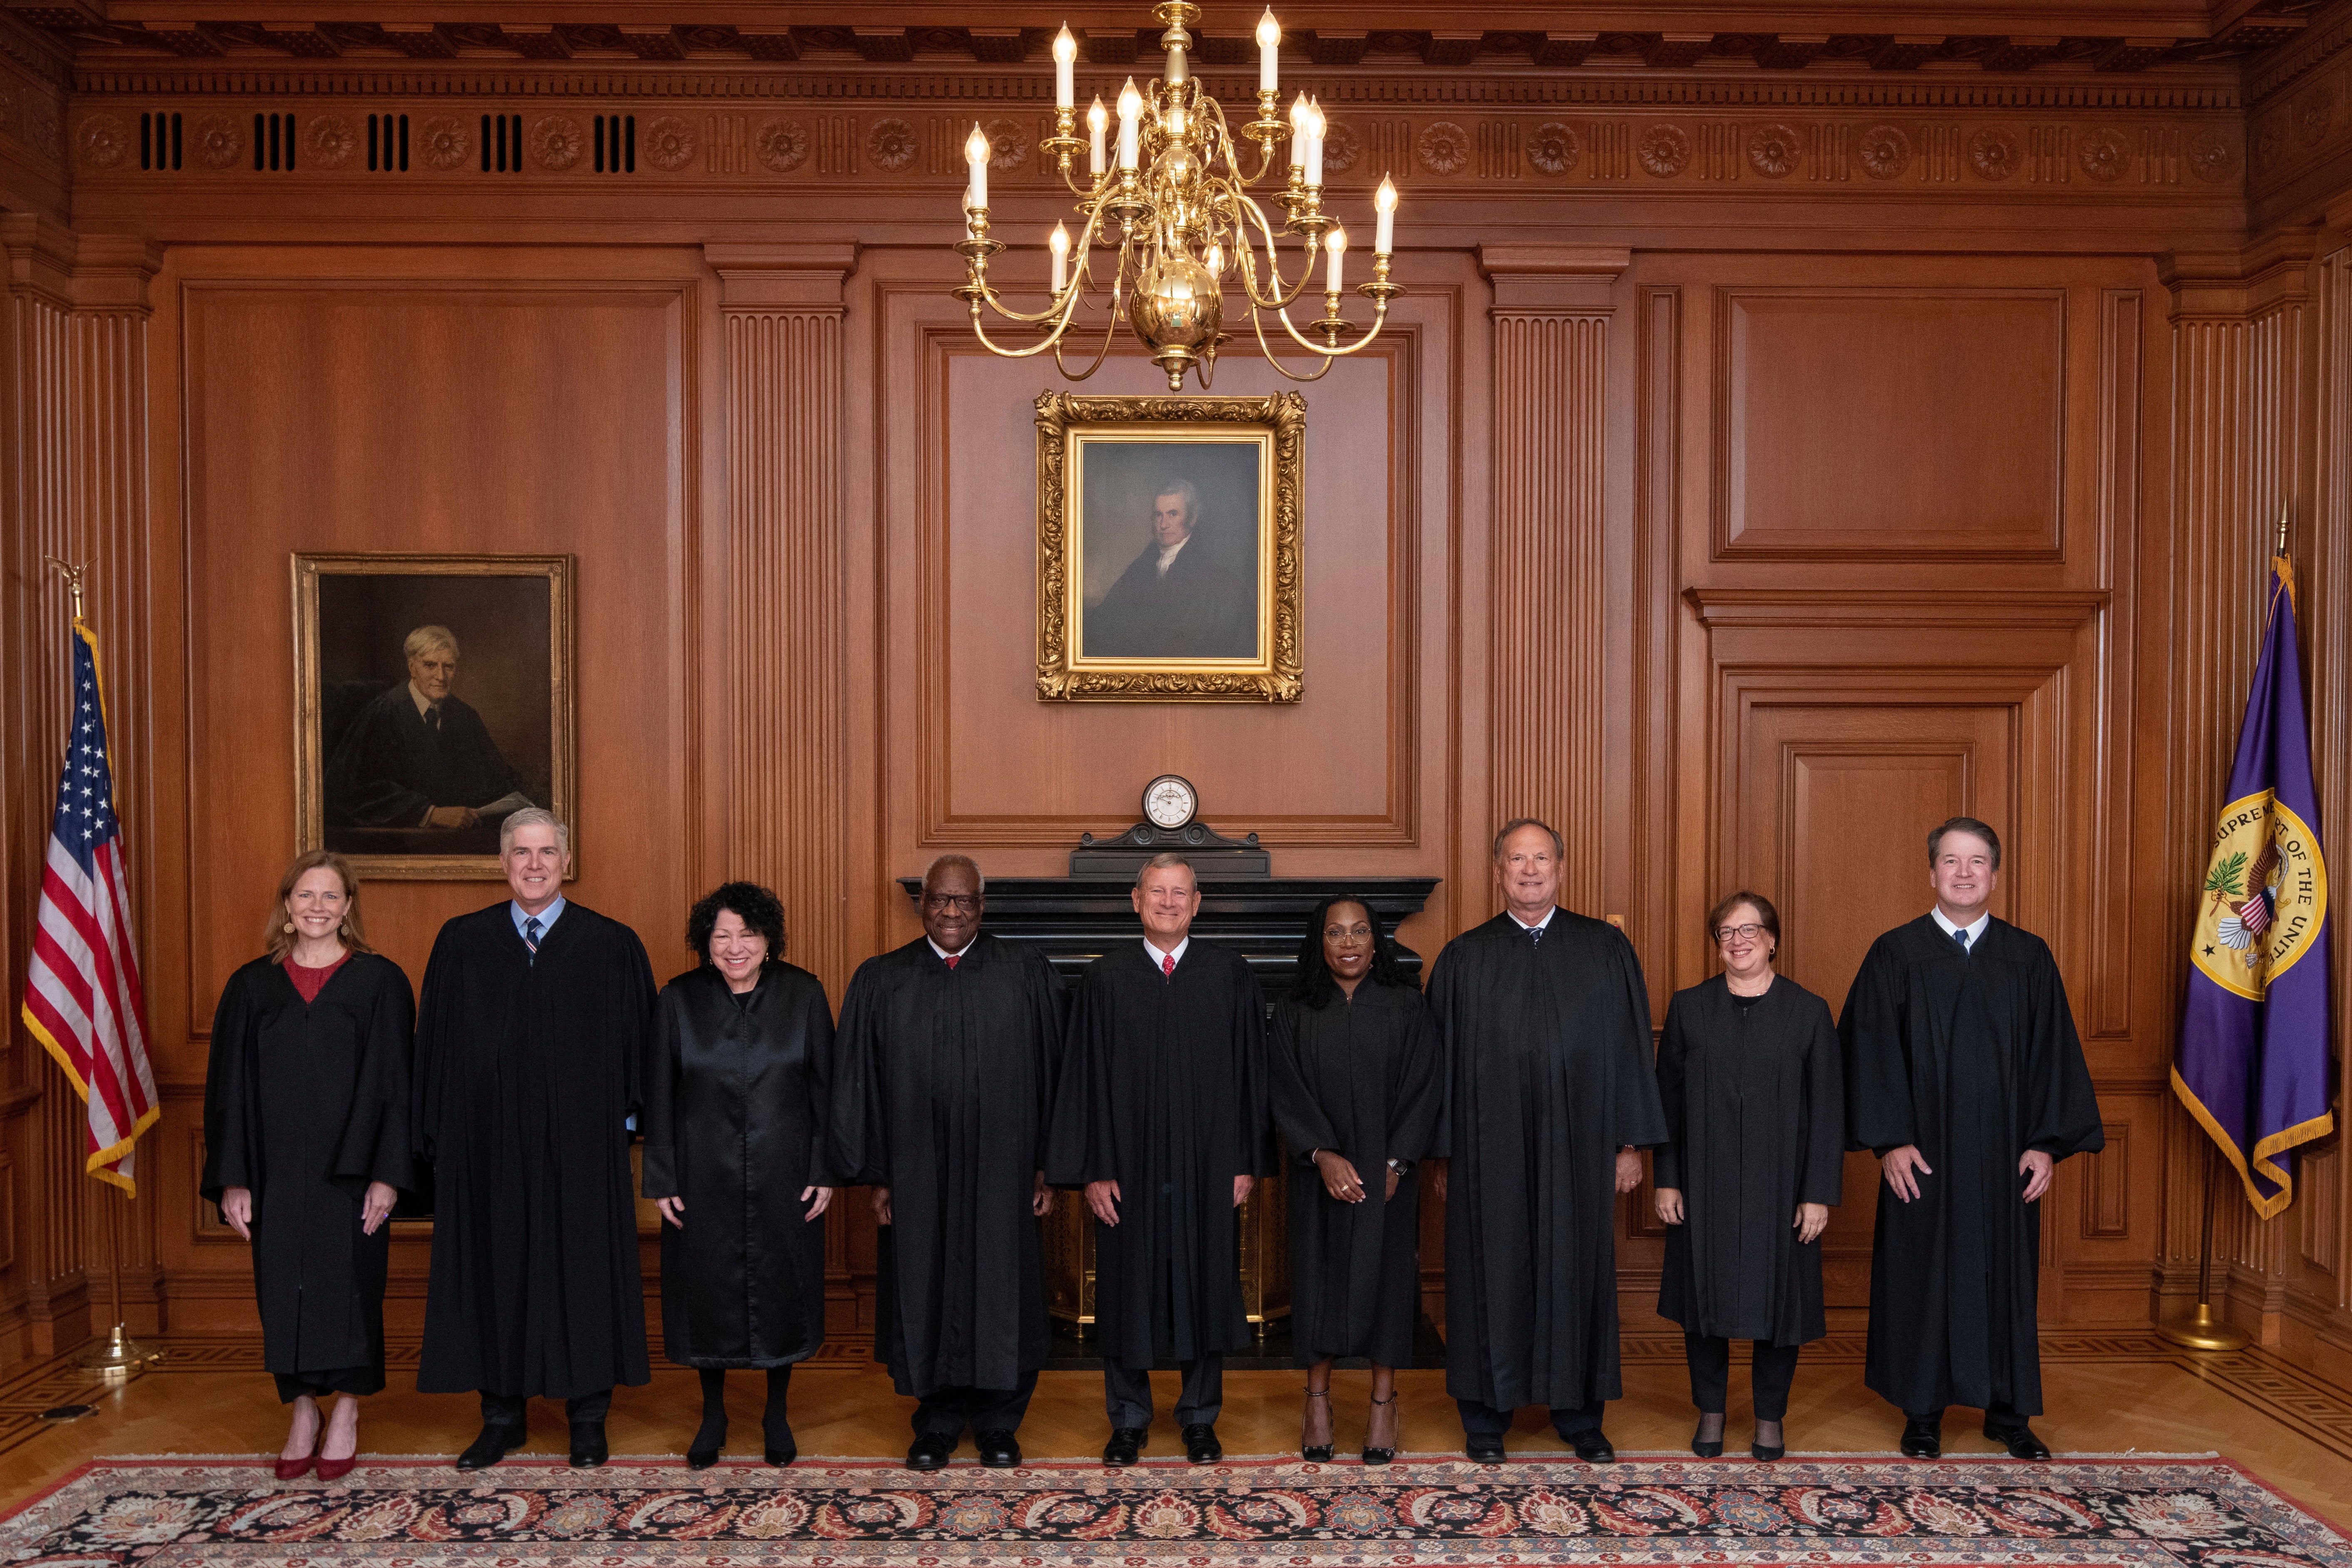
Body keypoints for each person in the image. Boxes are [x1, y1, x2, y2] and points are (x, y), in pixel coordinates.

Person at [1840, 816, 2103, 1461]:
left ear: (1994, 873)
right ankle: (1922, 1411)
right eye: (1952, 861)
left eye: (1977, 861)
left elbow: (2053, 1057)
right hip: (1922, 1157)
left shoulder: (2028, 956)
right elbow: (1868, 1050)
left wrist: (2045, 1141)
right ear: (1931, 872)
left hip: (2003, 1155)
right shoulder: (1895, 952)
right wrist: (1891, 1139)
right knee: (1920, 1276)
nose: (1964, 872)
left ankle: (2007, 1412)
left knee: (2004, 1273)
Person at [413, 808, 656, 1470]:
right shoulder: (461, 943)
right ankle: (501, 1417)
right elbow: (432, 1053)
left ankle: (587, 1419)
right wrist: (441, 1144)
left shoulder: (611, 945)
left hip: (581, 1153)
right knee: (494, 1274)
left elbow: (640, 1053)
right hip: (486, 1153)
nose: (535, 863)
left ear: (567, 861)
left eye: (547, 851)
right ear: (502, 862)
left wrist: (619, 1134)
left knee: (584, 1273)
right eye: (521, 852)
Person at [1427, 819, 1666, 1465]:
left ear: (1560, 867)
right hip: (1487, 1149)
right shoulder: (1464, 956)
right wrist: (1444, 1151)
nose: (1529, 870)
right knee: (1489, 1267)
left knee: (1576, 1267)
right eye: (1516, 859)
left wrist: (1628, 1143)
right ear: (1497, 869)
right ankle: (1485, 1416)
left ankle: (1579, 1414)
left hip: (1581, 1144)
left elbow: (1628, 1048)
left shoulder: (1604, 948)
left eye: (1540, 858)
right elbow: (1439, 1064)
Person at [829, 855, 1066, 1471]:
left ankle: (998, 1422)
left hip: (1005, 1169)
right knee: (923, 1281)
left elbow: (1056, 1075)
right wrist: (878, 1172)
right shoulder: (883, 979)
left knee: (1003, 1284)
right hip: (916, 1170)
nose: (952, 912)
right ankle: (934, 1420)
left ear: (982, 906)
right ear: (922, 904)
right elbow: (861, 1084)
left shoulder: (1025, 973)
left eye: (963, 901)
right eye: (940, 900)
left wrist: (1048, 1163)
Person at [1045, 851, 1271, 1466]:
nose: (1168, 902)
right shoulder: (1105, 979)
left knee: (1207, 1278)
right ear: (1136, 900)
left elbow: (1254, 1074)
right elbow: (1083, 1081)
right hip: (1128, 1164)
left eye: (1180, 893)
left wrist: (1245, 1159)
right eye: (1157, 892)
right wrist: (1092, 1166)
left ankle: (1200, 1417)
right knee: (1126, 1285)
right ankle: (1129, 1418)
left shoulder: (1230, 974)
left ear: (1197, 904)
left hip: (1209, 1160)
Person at [202, 850, 413, 1482]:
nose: (317, 907)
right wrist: (234, 1176)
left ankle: (346, 1408)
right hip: (272, 1169)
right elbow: (229, 1089)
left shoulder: (381, 982)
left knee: (353, 1288)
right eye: (305, 895)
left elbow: (396, 1085)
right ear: (287, 907)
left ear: (349, 907)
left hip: (351, 1172)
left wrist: (386, 1173)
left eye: (330, 896)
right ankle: (301, 1409)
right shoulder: (251, 986)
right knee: (281, 1288)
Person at [642, 881, 836, 1468]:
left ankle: (776, 1412)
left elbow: (828, 1092)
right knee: (707, 1293)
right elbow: (659, 1096)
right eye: (721, 935)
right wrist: (663, 1178)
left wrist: (825, 1168)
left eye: (747, 935)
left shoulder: (803, 995)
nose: (734, 947)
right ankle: (713, 1413)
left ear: (768, 940)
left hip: (787, 1174)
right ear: (705, 942)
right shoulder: (677, 999)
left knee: (782, 1290)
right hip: (702, 1177)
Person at [1653, 891, 1842, 1463]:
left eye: (1749, 930)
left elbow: (1829, 1110)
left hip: (1781, 1186)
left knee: (1779, 1307)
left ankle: (1768, 1417)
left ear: (1773, 938)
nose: (1738, 941)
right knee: (1702, 1303)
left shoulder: (1809, 1011)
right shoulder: (1689, 1008)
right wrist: (1667, 1178)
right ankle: (1710, 1410)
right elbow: (1667, 1103)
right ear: (1716, 944)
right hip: (1703, 1183)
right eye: (1726, 932)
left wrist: (1817, 1193)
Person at [1268, 895, 1441, 1465]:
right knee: (1318, 1281)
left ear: (1376, 941)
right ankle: (1316, 1400)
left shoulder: (1405, 1007)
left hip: (1388, 1173)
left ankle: (1382, 1405)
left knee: (1387, 1284)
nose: (1348, 943)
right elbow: (1284, 1089)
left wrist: (1395, 1164)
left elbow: (1424, 1087)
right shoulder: (1295, 1009)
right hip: (1318, 1174)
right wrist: (1321, 1154)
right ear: (1319, 943)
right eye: (1335, 932)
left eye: (1359, 931)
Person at [325, 624, 535, 831]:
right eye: (430, 665)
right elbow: (353, 789)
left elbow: (498, 777)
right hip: (400, 841)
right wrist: (430, 813)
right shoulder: (383, 714)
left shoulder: (464, 716)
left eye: (449, 666)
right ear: (412, 667)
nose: (441, 677)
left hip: (461, 839)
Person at [1084, 480, 1254, 659]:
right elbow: (1107, 617)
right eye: (1159, 515)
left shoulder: (1215, 578)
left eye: (1173, 514)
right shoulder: (1140, 567)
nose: (1163, 525)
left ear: (1192, 518)